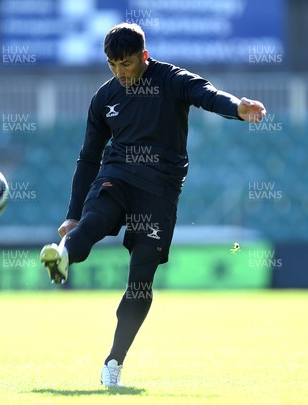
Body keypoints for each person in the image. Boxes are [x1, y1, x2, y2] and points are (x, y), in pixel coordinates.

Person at [40, 22, 266, 387]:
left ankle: (114, 361)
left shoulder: (172, 80)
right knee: (95, 217)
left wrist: (237, 107)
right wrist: (72, 214)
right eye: (112, 65)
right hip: (118, 174)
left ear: (144, 56)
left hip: (160, 189)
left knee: (141, 281)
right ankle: (64, 256)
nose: (119, 72)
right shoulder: (103, 99)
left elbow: (208, 94)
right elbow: (88, 158)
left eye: (126, 64)